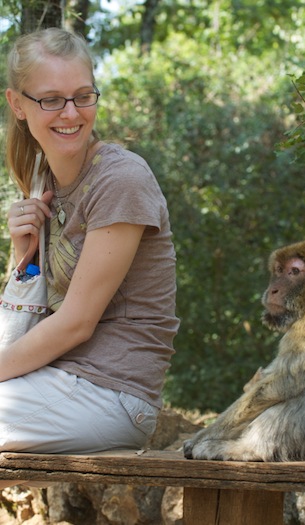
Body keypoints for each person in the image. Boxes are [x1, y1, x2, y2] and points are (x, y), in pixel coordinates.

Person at [0, 27, 179, 486]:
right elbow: (21, 328)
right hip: (57, 384)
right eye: (51, 99)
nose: (71, 113)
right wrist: (24, 260)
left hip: (111, 394)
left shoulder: (121, 179)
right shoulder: (45, 181)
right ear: (17, 105)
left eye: (83, 96)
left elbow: (77, 322)